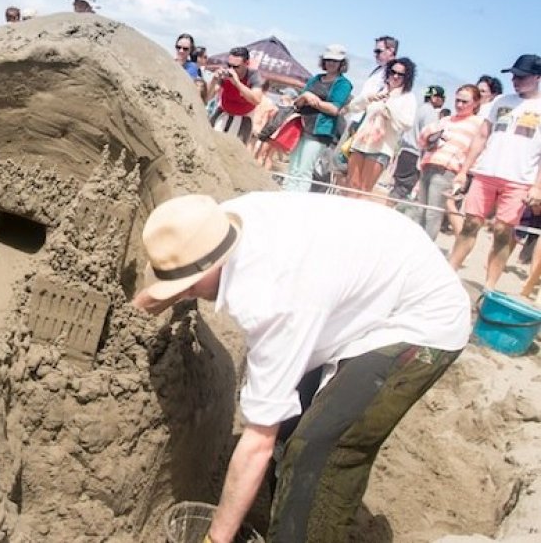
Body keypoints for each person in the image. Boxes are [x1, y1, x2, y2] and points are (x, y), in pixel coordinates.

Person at [132, 192, 469, 543]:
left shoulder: (271, 300)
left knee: (319, 451)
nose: (185, 295)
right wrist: (136, 312)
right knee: (289, 430)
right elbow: (187, 271)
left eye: (188, 286)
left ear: (211, 266)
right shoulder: (217, 223)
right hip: (359, 282)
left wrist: (215, 538)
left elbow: (258, 441)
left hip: (420, 318)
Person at [449, 54, 541, 290]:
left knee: (502, 231)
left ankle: (489, 287)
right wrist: (464, 170)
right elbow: (482, 135)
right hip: (486, 172)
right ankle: (449, 274)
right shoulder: (501, 101)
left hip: (519, 179)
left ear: (537, 77)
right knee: (470, 224)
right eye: (513, 75)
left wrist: (538, 186)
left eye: (521, 76)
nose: (515, 80)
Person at [412, 84, 484, 240]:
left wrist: (464, 173)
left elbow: (478, 150)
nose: (459, 105)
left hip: (448, 171)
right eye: (457, 100)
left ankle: (424, 248)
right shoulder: (446, 119)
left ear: (476, 103)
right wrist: (433, 136)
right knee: (420, 210)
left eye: (465, 102)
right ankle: (413, 244)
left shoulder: (479, 124)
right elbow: (423, 138)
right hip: (429, 164)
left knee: (433, 213)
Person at [282, 44, 353, 191]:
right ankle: (286, 195)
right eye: (328, 59)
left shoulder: (343, 84)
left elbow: (335, 109)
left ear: (341, 63)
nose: (331, 63)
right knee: (293, 167)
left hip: (320, 130)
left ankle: (297, 202)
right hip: (302, 125)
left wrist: (314, 101)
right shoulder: (316, 79)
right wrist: (305, 97)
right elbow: (299, 100)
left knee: (304, 170)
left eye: (335, 60)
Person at [346, 57, 418, 197]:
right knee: (351, 186)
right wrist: (369, 98)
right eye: (393, 72)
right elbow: (353, 107)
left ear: (407, 77)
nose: (395, 76)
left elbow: (407, 124)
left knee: (364, 189)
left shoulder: (408, 97)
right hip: (360, 143)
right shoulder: (378, 90)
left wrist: (389, 107)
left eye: (401, 74)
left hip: (381, 148)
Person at [390, 85, 444, 202]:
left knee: (397, 188)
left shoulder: (418, 109)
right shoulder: (430, 113)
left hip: (404, 152)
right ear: (435, 98)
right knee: (402, 191)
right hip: (414, 155)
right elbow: (430, 137)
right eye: (442, 98)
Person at [206, 46, 265, 145]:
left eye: (236, 66)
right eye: (229, 65)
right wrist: (213, 81)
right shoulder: (225, 73)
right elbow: (208, 97)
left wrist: (237, 83)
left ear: (246, 63)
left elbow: (256, 99)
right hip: (223, 113)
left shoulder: (253, 76)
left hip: (244, 118)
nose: (231, 69)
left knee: (236, 148)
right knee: (209, 140)